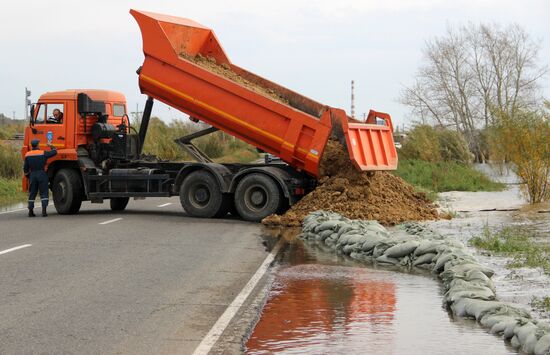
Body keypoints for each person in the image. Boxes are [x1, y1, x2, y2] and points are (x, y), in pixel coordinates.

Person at [23, 139, 57, 217]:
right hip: (42, 174)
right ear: (38, 145)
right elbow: (55, 152)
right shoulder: (43, 153)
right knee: (44, 192)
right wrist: (51, 145)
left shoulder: (27, 155)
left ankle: (30, 211)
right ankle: (44, 211)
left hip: (33, 175)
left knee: (32, 193)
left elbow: (25, 168)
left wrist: (28, 176)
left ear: (32, 146)